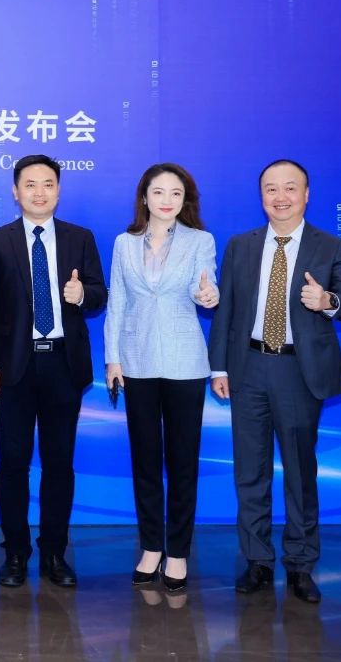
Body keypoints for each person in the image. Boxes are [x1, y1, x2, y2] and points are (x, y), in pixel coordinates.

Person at [210, 159, 341, 604]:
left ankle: (300, 564)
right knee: (250, 472)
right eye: (271, 189)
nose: (280, 197)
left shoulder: (330, 245)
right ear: (261, 196)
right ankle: (257, 560)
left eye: (290, 188)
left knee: (299, 473)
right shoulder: (240, 245)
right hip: (249, 368)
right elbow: (226, 310)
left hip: (299, 372)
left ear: (306, 194)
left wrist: (327, 300)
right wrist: (219, 368)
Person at [0, 155, 106, 588]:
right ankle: (15, 552)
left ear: (58, 190)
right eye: (30, 184)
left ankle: (54, 553)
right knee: (13, 463)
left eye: (48, 183)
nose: (39, 192)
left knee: (59, 464)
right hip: (14, 367)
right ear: (16, 192)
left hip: (63, 365)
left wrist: (81, 293)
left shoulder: (79, 238)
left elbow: (99, 294)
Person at [103, 163, 219, 593]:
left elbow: (205, 287)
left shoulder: (200, 240)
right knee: (145, 461)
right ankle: (151, 546)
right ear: (144, 197)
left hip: (184, 363)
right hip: (136, 362)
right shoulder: (124, 243)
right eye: (158, 192)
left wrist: (208, 294)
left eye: (176, 193)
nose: (167, 200)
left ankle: (178, 552)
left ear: (185, 200)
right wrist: (113, 359)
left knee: (183, 462)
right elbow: (117, 302)